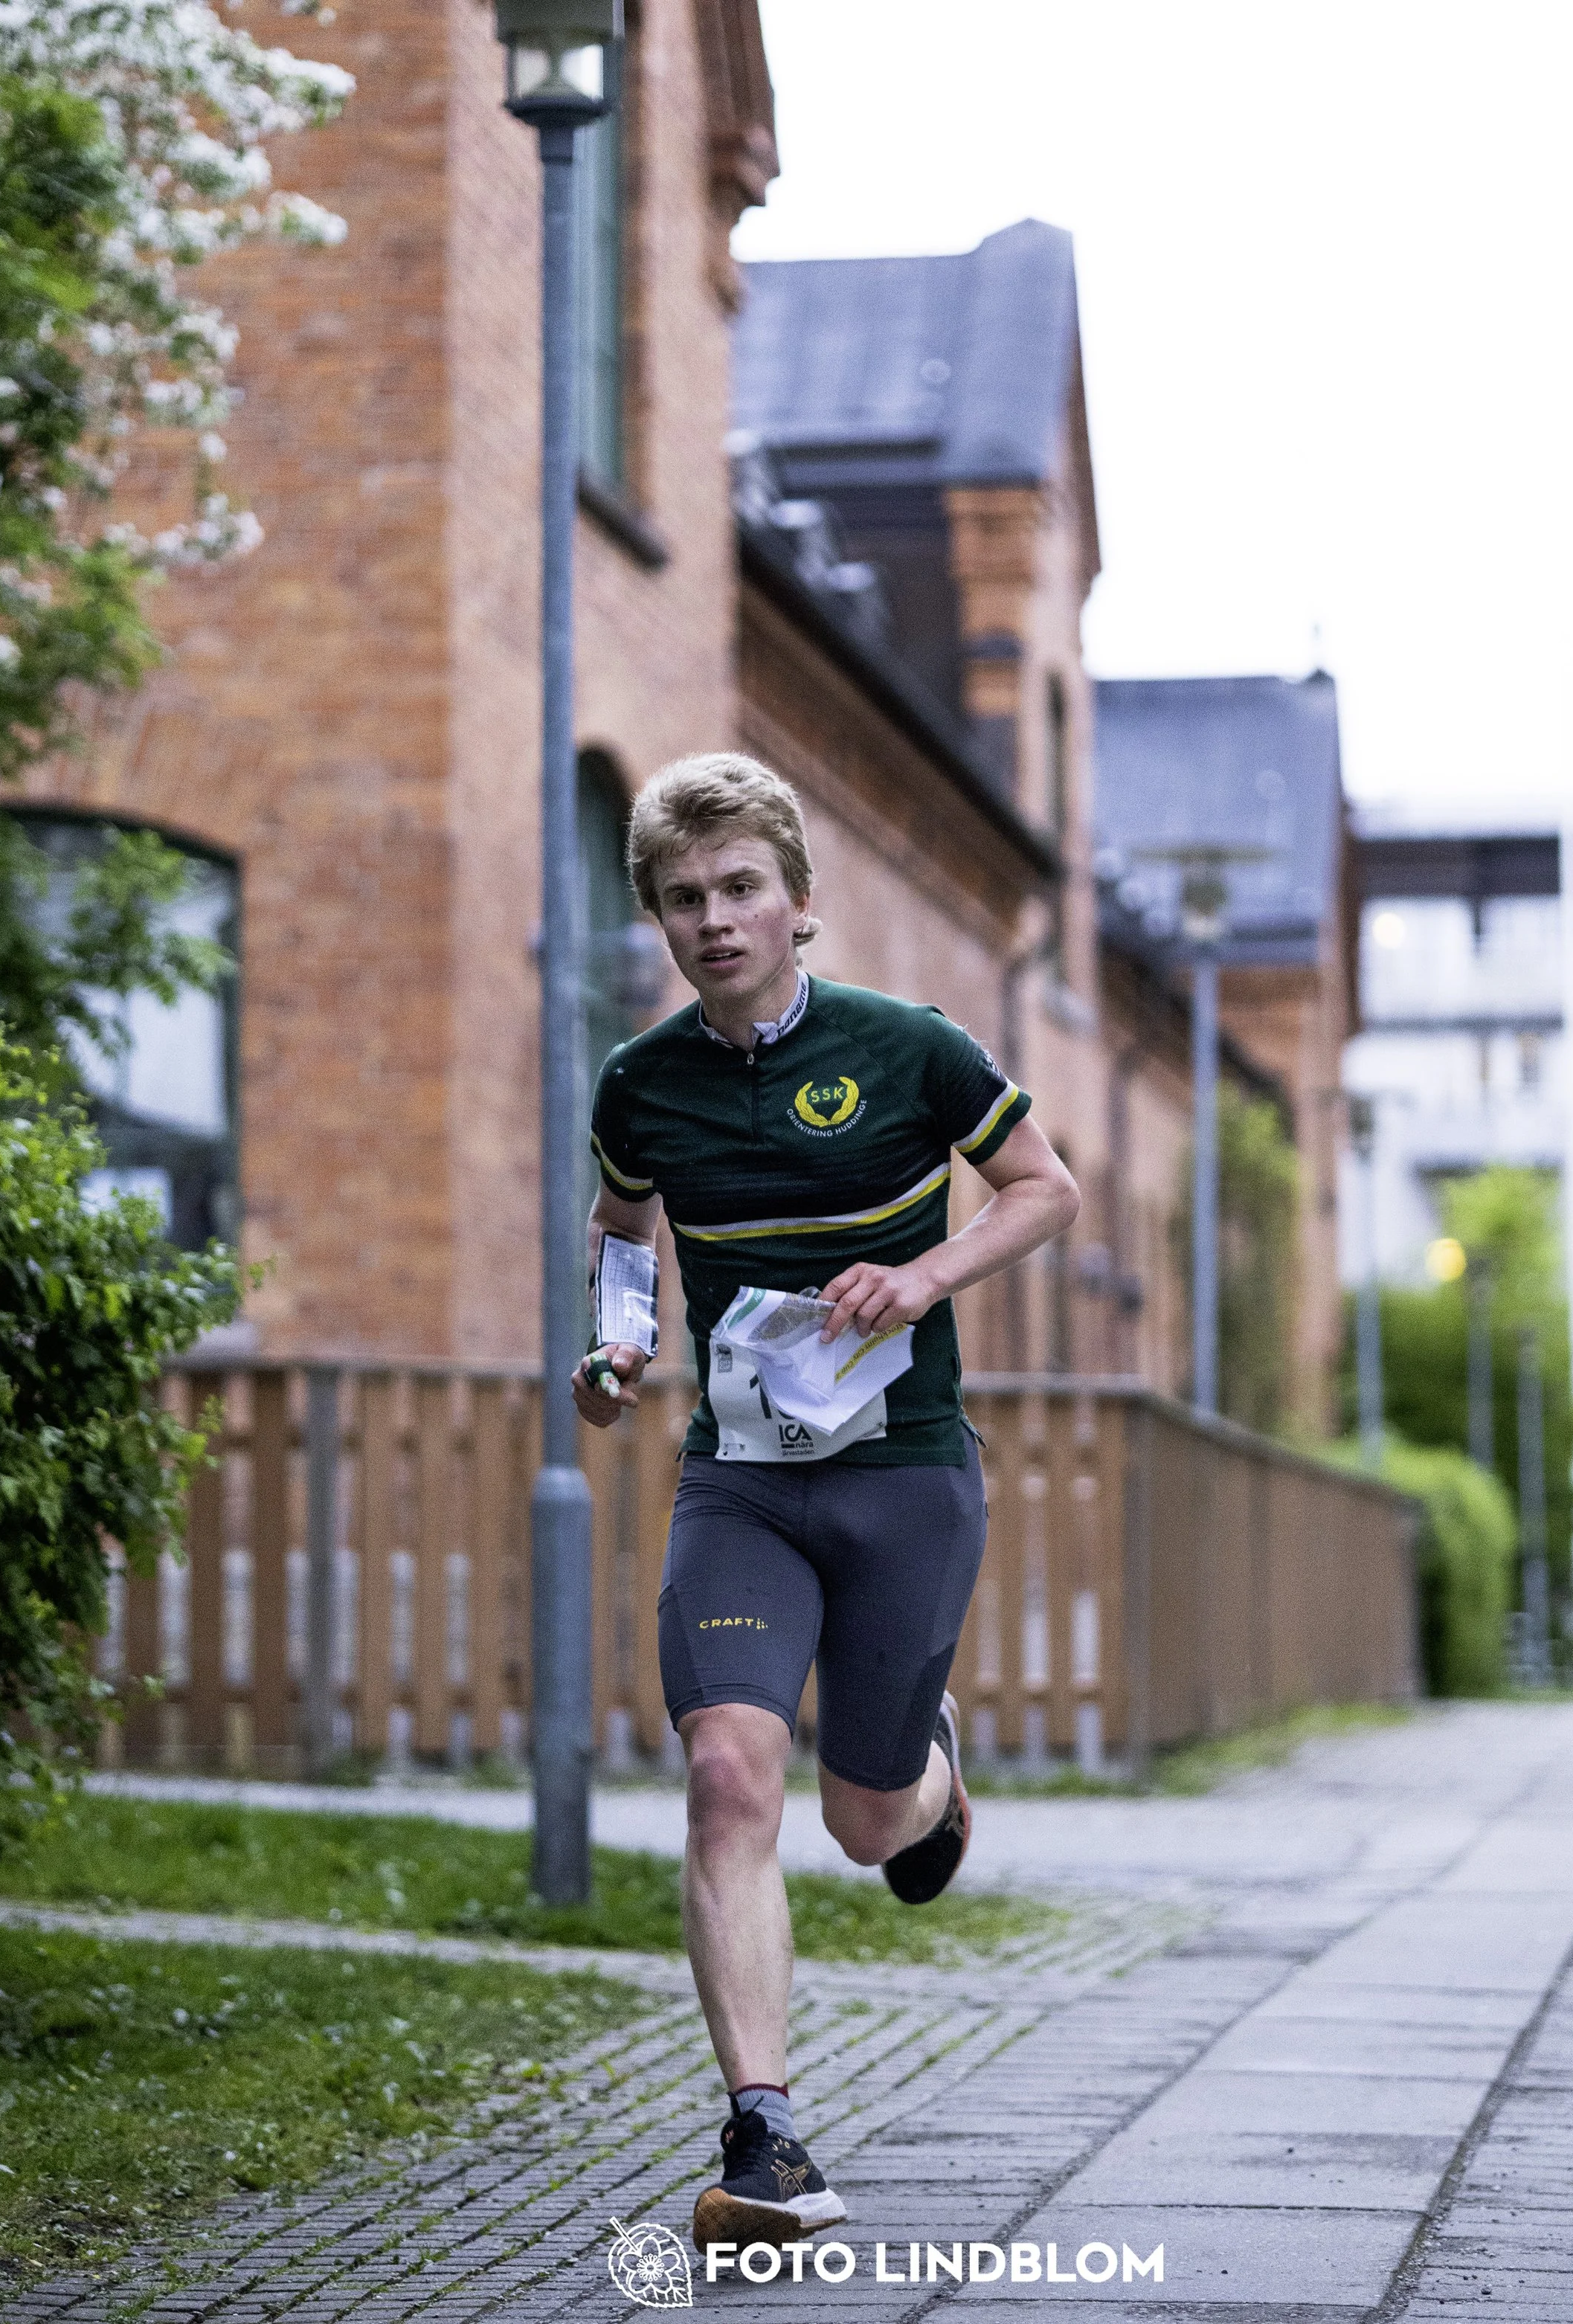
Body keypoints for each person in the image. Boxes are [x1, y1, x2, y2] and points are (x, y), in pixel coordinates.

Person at [573, 751, 1079, 2256]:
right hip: (741, 1484)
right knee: (730, 1774)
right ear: (659, 921)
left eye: (740, 889)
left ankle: (924, 1772)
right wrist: (617, 1340)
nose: (715, 920)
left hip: (903, 1472)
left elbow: (1044, 1186)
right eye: (684, 900)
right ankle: (763, 2134)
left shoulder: (906, 1047)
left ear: (797, 900)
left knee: (864, 1823)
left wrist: (920, 1275)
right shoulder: (640, 1082)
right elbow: (620, 1228)